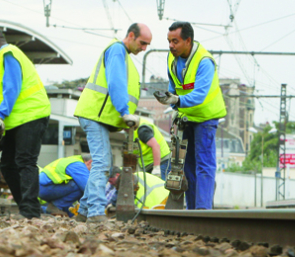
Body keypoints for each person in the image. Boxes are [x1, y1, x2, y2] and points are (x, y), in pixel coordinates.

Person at [73, 23, 152, 223]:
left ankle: (83, 211)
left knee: (104, 163)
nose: (144, 48)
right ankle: (96, 213)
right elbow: (115, 82)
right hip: (94, 115)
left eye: (147, 45)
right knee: (101, 163)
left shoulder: (123, 55)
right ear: (131, 35)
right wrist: (125, 112)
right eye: (142, 43)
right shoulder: (117, 50)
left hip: (98, 117)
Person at [156, 22, 227, 210]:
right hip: (186, 118)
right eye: (169, 41)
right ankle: (193, 210)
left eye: (175, 41)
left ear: (188, 41)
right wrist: (173, 105)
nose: (171, 45)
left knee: (204, 164)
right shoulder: (173, 59)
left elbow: (200, 95)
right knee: (187, 167)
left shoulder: (204, 61)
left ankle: (203, 210)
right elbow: (174, 89)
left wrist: (177, 101)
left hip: (205, 117)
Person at [0, 27, 51, 219]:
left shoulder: (8, 53)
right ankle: (26, 208)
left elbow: (12, 87)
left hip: (30, 115)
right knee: (7, 163)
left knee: (25, 161)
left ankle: (30, 212)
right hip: (18, 118)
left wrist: (1, 115)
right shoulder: (7, 56)